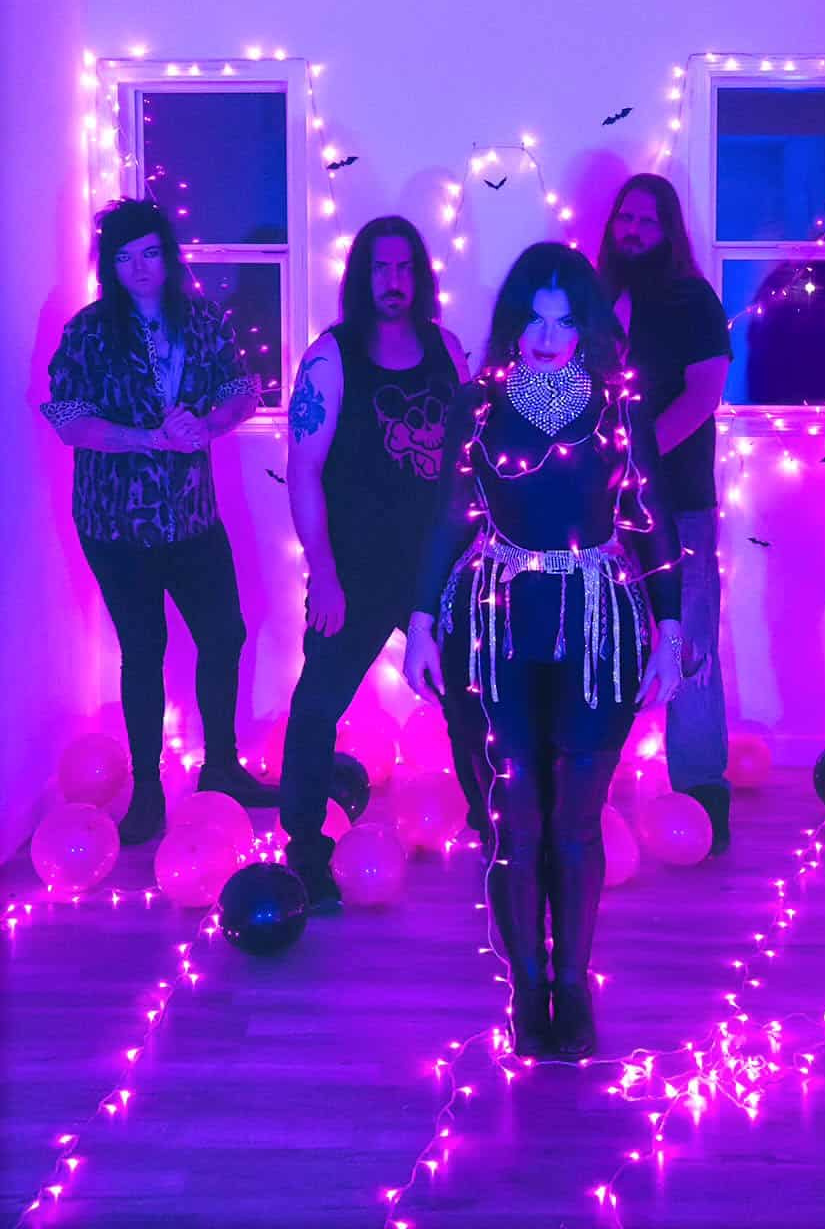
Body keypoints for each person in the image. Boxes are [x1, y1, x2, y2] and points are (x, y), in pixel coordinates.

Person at [404, 243, 683, 1061]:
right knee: (514, 821)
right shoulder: (478, 404)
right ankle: (528, 992)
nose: (549, 336)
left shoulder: (617, 404)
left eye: (565, 320)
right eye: (535, 318)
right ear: (513, 322)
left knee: (576, 822)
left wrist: (670, 631)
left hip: (597, 626)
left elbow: (650, 518)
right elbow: (448, 514)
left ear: (587, 325)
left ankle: (573, 987)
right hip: (496, 626)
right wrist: (419, 623)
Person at [41, 198, 275, 845]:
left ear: (167, 256)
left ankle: (221, 767)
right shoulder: (88, 332)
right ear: (109, 267)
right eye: (124, 258)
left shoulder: (202, 319)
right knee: (144, 650)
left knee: (225, 634)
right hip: (116, 524)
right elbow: (68, 420)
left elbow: (241, 388)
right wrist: (146, 438)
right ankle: (147, 790)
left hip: (193, 516)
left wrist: (208, 424)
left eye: (149, 253)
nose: (139, 268)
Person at [280, 216, 470, 911]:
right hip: (353, 570)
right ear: (362, 276)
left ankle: (495, 827)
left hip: (436, 570)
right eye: (380, 267)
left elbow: (466, 462)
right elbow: (303, 471)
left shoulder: (447, 351)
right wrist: (324, 573)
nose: (393, 280)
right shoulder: (330, 358)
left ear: (419, 276)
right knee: (317, 706)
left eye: (404, 267)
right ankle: (305, 850)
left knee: (472, 703)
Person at [597, 174, 733, 851]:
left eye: (647, 221)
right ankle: (586, 792)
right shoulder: (594, 301)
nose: (633, 230)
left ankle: (703, 795)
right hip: (600, 514)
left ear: (668, 230)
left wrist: (637, 460)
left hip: (678, 506)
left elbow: (703, 395)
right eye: (625, 218)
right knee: (601, 645)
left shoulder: (692, 299)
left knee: (691, 649)